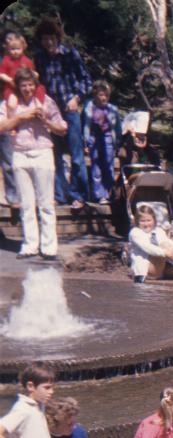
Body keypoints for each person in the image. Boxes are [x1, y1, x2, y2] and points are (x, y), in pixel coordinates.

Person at [0, 68, 66, 260]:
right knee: (27, 204)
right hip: (20, 153)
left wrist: (45, 121)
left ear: (35, 85)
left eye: (30, 85)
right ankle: (30, 245)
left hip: (43, 152)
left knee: (45, 203)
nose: (27, 89)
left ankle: (49, 247)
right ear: (18, 87)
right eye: (23, 85)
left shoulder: (46, 101)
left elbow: (62, 128)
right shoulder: (11, 104)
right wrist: (21, 117)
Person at [32, 18, 91, 209]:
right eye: (44, 39)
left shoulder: (70, 54)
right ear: (41, 40)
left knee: (76, 155)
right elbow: (37, 85)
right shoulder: (39, 57)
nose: (48, 42)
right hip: (50, 113)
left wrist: (76, 99)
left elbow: (86, 80)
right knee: (54, 154)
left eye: (51, 38)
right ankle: (60, 194)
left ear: (57, 38)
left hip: (69, 110)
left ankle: (77, 195)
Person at [0, 31, 42, 206]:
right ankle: (13, 127)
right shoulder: (6, 61)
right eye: (12, 49)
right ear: (6, 48)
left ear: (23, 48)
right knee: (11, 103)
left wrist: (32, 78)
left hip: (23, 92)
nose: (15, 52)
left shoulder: (27, 61)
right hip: (12, 89)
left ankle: (33, 195)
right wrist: (12, 81)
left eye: (17, 49)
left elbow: (34, 74)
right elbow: (1, 74)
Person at [80, 80, 120, 204]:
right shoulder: (89, 107)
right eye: (101, 95)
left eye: (106, 95)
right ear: (96, 94)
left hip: (108, 138)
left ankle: (108, 193)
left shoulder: (112, 109)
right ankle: (99, 195)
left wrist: (117, 142)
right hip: (94, 138)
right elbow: (85, 126)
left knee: (108, 166)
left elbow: (118, 127)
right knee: (96, 167)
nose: (104, 98)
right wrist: (85, 143)